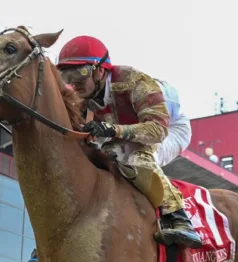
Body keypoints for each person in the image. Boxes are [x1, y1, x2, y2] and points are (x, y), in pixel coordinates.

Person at [57, 35, 202, 249]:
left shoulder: (136, 82)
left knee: (135, 155)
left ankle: (179, 217)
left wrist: (113, 130)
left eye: (80, 73)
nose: (73, 83)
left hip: (169, 127)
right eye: (66, 75)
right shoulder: (82, 95)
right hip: (127, 129)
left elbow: (157, 131)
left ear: (100, 70)